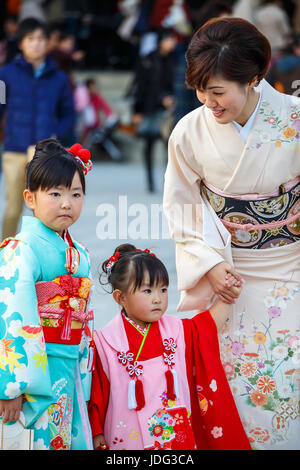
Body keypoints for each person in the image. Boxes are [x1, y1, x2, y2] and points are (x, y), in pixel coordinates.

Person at [163, 17, 300, 450]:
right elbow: (182, 207)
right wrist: (211, 264)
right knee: (233, 382)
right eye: (201, 90)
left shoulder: (294, 121)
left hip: (292, 268)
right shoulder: (189, 131)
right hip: (229, 278)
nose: (209, 101)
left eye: (218, 90)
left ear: (254, 78)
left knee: (287, 378)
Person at [88, 244, 251, 450]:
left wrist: (229, 296)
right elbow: (96, 395)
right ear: (120, 297)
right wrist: (97, 432)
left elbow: (206, 328)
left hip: (174, 430)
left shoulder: (177, 331)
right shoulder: (105, 342)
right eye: (147, 290)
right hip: (128, 433)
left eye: (163, 289)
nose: (158, 298)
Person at [0, 138, 94, 450]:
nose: (67, 203)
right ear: (30, 197)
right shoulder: (22, 250)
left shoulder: (79, 254)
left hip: (69, 365)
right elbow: (14, 316)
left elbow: (84, 321)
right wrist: (12, 387)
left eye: (76, 194)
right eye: (55, 193)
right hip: (35, 373)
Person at [0, 17, 75, 241]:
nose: (36, 44)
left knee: (44, 210)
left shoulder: (59, 79)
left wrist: (56, 136)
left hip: (44, 154)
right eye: (30, 39)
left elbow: (68, 114)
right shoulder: (5, 75)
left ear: (48, 43)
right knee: (13, 208)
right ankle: (5, 256)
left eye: (41, 39)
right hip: (14, 149)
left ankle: (47, 255)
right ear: (21, 43)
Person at [130, 28, 177, 192]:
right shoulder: (148, 59)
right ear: (160, 41)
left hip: (169, 110)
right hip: (151, 108)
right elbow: (140, 86)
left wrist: (170, 97)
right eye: (169, 39)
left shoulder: (175, 59)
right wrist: (137, 110)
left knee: (170, 147)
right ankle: (150, 182)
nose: (172, 42)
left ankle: (169, 182)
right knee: (149, 145)